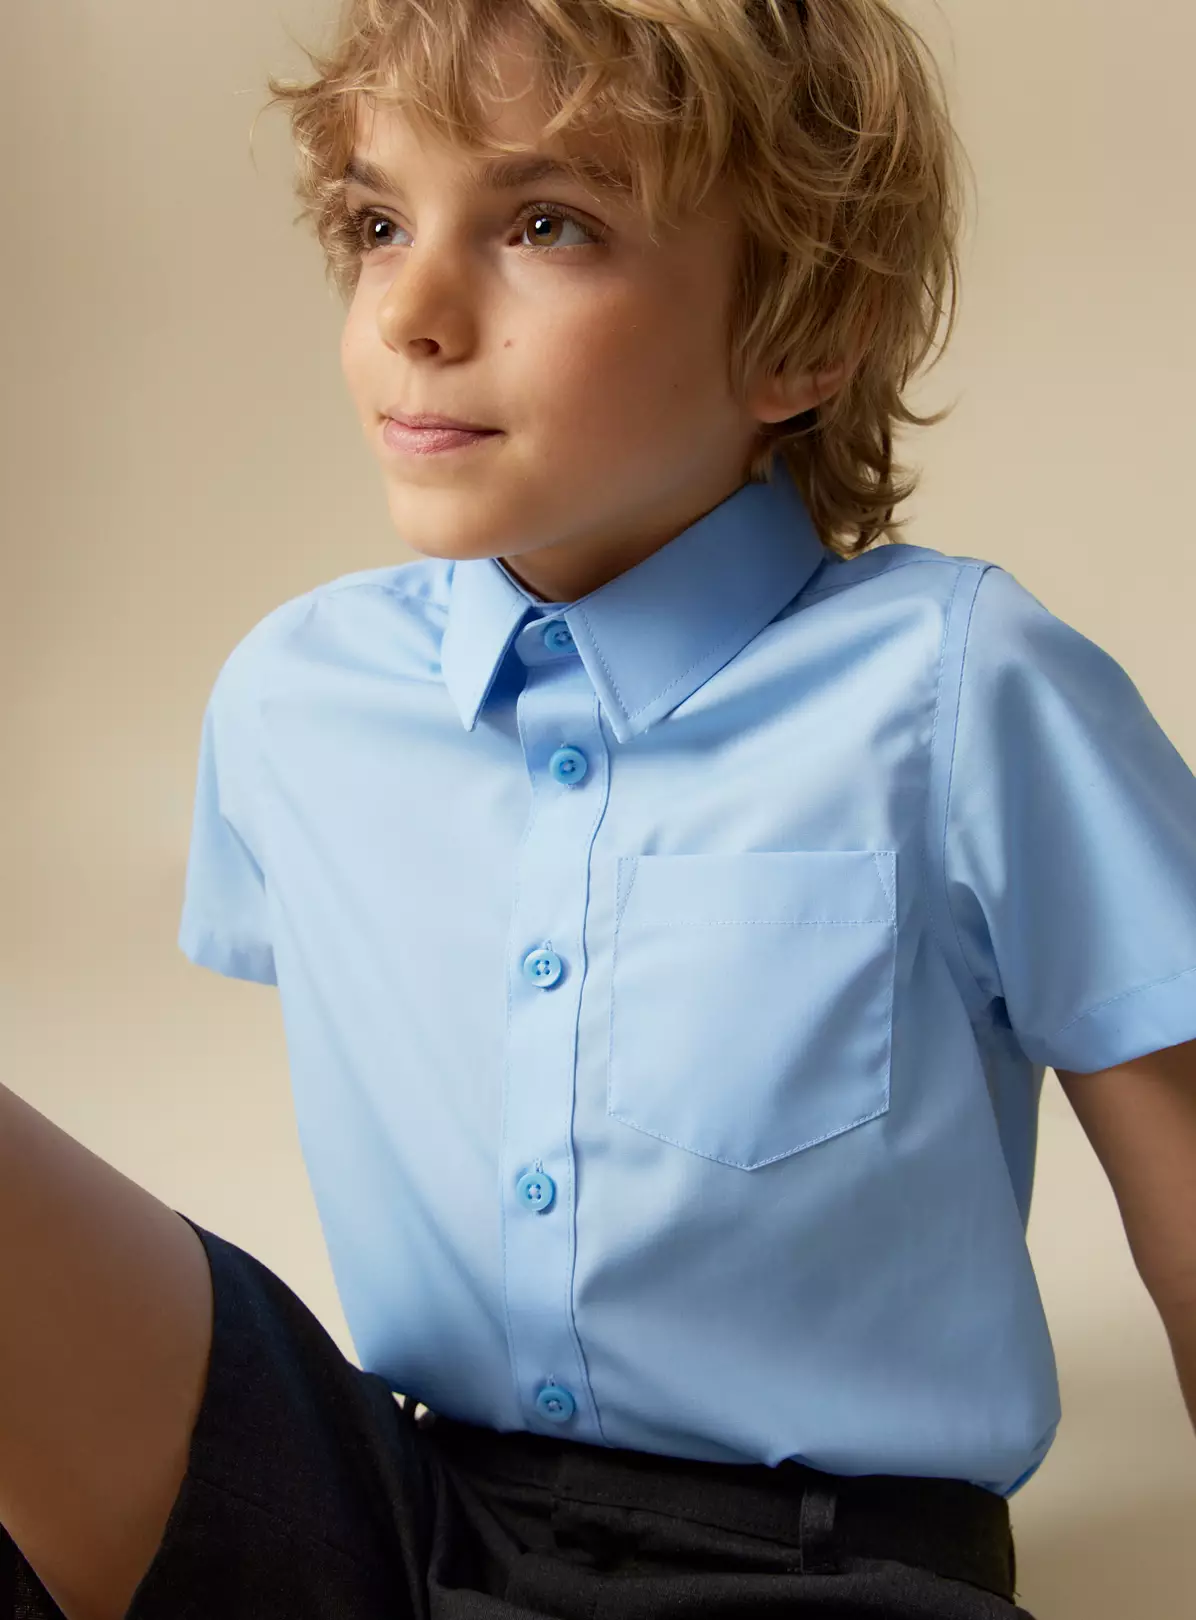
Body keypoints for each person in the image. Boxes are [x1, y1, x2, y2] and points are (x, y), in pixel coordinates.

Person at [4, 1, 1196, 1617]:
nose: (412, 313)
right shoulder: (295, 698)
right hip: (411, 1506)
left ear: (802, 331)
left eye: (546, 225)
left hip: (826, 1563)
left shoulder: (967, 687)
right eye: (377, 224)